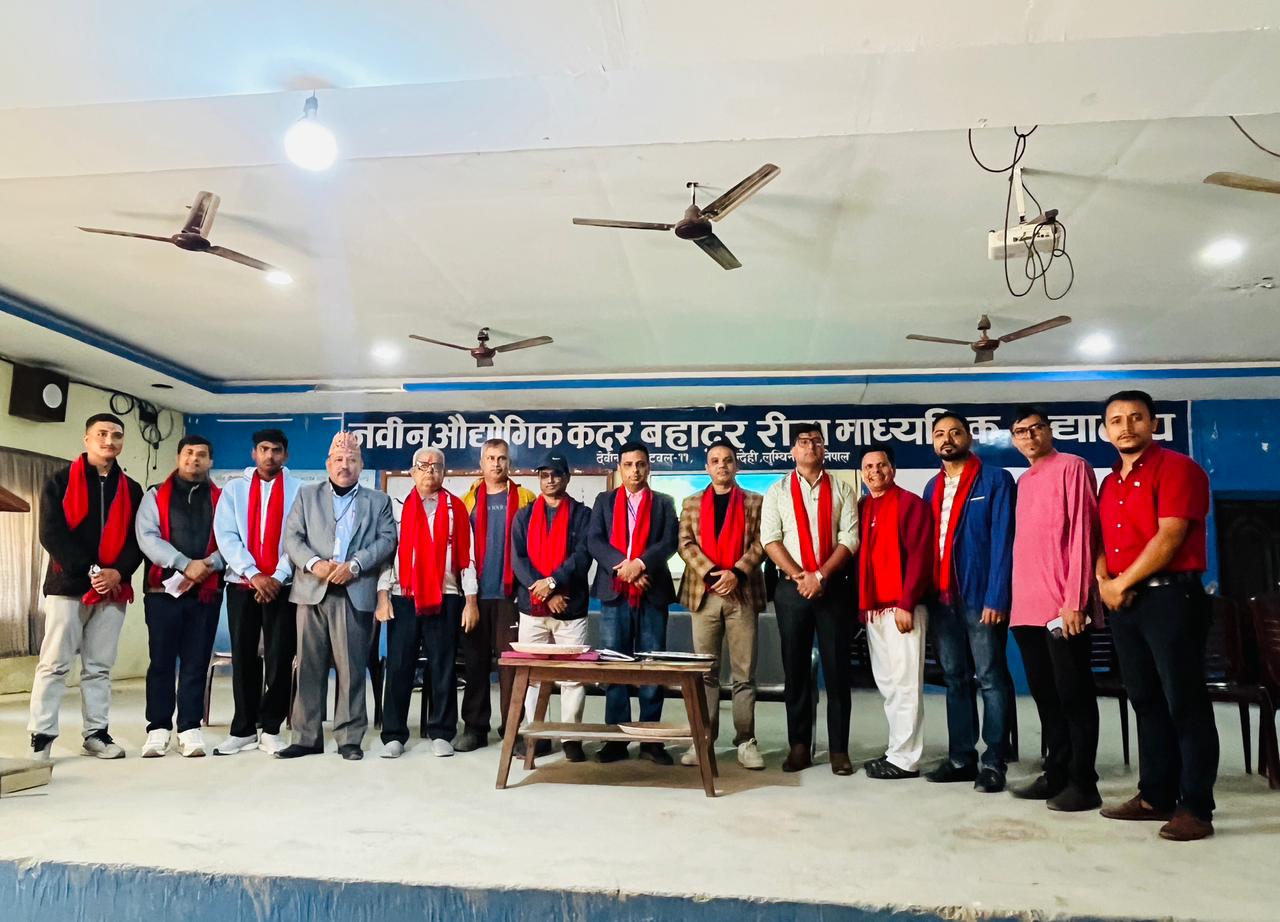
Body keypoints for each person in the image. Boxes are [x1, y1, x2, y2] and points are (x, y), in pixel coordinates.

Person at [1095, 390, 1218, 841]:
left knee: (1184, 701)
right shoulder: (1109, 483)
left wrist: (1121, 583)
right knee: (1145, 699)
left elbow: (1170, 537)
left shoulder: (1179, 468)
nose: (1126, 427)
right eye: (1116, 420)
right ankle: (1155, 796)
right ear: (1106, 430)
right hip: (1125, 603)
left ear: (1153, 423)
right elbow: (1102, 542)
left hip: (1171, 599)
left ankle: (1196, 807)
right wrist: (1104, 581)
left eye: (1136, 417)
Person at [28, 413, 144, 762]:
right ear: (87, 439)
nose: (109, 441)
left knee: (99, 666)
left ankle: (96, 734)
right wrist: (91, 569)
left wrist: (118, 572)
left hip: (113, 589)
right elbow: (51, 533)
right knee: (54, 663)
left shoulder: (131, 489)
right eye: (102, 434)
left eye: (116, 435)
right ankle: (41, 735)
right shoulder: (59, 481)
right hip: (68, 586)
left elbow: (137, 539)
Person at [277, 432, 396, 761]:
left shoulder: (378, 501)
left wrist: (355, 565)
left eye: (352, 460)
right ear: (328, 464)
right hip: (311, 591)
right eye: (339, 460)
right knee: (308, 667)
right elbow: (292, 538)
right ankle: (306, 738)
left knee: (351, 668)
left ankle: (349, 738)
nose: (345, 465)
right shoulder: (307, 495)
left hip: (354, 592)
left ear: (361, 465)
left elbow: (388, 540)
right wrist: (315, 564)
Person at [1008, 406, 1102, 811]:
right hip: (1026, 609)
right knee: (1046, 697)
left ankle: (1084, 782)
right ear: (1014, 440)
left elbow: (1084, 533)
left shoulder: (1072, 467)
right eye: (1021, 431)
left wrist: (1075, 600)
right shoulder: (1025, 481)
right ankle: (1057, 772)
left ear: (1049, 431)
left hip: (1062, 609)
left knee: (1073, 695)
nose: (1029, 437)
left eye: (1036, 428)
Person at [922, 411, 1015, 793]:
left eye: (955, 432)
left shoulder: (995, 480)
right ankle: (962, 757)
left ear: (968, 437)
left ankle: (994, 761)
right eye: (939, 434)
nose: (947, 439)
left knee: (990, 678)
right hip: (942, 600)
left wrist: (997, 595)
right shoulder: (932, 486)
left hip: (981, 597)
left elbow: (1004, 542)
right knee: (955, 678)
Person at [761, 424, 859, 775]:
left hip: (833, 589)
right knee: (796, 670)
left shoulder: (843, 489)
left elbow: (850, 539)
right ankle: (799, 746)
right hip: (792, 590)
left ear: (824, 448)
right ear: (793, 450)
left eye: (817, 442)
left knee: (837, 671)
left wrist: (820, 576)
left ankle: (839, 750)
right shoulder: (777, 491)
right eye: (803, 442)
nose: (810, 447)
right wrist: (802, 576)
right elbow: (770, 539)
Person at [374, 447, 479, 759]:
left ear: (444, 472)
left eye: (436, 466)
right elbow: (387, 557)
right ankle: (394, 734)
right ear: (412, 472)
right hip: (403, 597)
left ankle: (442, 732)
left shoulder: (457, 509)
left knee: (443, 666)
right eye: (423, 465)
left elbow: (468, 559)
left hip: (446, 597)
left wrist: (470, 601)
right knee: (399, 666)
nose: (430, 471)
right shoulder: (397, 508)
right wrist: (383, 596)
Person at [587, 441, 679, 764]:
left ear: (648, 467)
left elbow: (669, 542)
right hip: (615, 594)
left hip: (652, 591)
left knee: (652, 666)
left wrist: (639, 565)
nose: (635, 471)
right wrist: (623, 567)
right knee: (616, 666)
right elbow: (594, 540)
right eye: (628, 465)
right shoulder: (604, 501)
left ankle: (650, 740)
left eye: (640, 464)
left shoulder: (664, 502)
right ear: (619, 468)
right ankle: (616, 739)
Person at [211, 428, 302, 756]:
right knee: (244, 657)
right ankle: (244, 729)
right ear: (254, 453)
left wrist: (276, 576)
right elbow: (226, 535)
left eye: (276, 450)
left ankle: (272, 728)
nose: (269, 455)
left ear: (285, 455)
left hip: (283, 586)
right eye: (263, 449)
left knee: (279, 658)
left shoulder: (299, 490)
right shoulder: (234, 489)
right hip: (241, 584)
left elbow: (298, 537)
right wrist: (253, 573)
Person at [676, 441, 766, 771]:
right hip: (704, 594)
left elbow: (762, 541)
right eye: (715, 461)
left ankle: (746, 740)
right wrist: (714, 573)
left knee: (744, 673)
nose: (722, 466)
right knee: (705, 673)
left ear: (736, 465)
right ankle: (703, 738)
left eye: (727, 460)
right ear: (707, 468)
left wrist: (737, 573)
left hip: (742, 593)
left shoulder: (755, 501)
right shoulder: (691, 502)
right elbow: (685, 543)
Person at [135, 435, 225, 758]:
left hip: (206, 594)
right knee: (161, 661)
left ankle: (189, 728)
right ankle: (158, 728)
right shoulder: (154, 495)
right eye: (188, 453)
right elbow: (147, 537)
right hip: (162, 592)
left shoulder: (222, 500)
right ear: (178, 457)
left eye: (201, 454)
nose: (194, 459)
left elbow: (232, 539)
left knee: (195, 661)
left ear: (210, 461)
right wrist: (185, 565)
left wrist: (208, 565)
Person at [509, 452, 593, 761]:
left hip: (571, 608)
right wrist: (545, 593)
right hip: (532, 609)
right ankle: (538, 735)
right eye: (544, 475)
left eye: (556, 474)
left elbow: (582, 557)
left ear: (567, 478)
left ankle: (571, 738)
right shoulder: (524, 515)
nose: (550, 480)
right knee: (533, 677)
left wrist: (554, 583)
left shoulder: (582, 515)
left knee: (573, 677)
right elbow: (518, 559)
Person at [857, 445, 934, 780]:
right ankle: (896, 749)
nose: (875, 471)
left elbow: (920, 556)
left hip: (903, 608)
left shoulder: (910, 504)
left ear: (893, 468)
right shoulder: (863, 506)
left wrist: (907, 602)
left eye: (882, 465)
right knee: (888, 683)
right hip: (875, 610)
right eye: (869, 467)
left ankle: (906, 759)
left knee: (905, 684)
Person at [457, 439, 536, 751]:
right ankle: (474, 729)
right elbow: (461, 552)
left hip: (512, 597)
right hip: (475, 596)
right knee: (475, 665)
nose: (496, 463)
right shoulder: (467, 501)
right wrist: (468, 598)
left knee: (511, 668)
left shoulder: (526, 499)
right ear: (481, 463)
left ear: (509, 463)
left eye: (501, 458)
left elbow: (532, 549)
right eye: (490, 458)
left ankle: (512, 729)